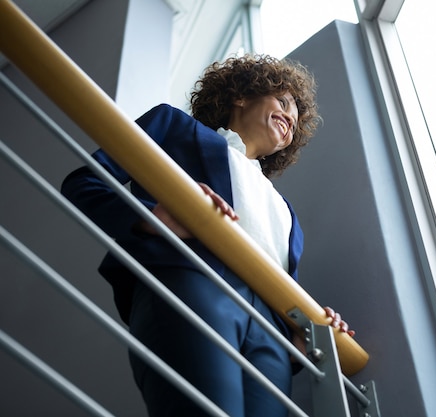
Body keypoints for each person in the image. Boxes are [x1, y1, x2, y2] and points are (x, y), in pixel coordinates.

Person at [61, 54, 354, 417]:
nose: (290, 119)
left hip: (271, 338)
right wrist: (152, 218)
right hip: (194, 285)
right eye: (284, 102)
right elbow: (84, 183)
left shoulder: (287, 215)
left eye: (295, 121)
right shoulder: (174, 126)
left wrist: (305, 330)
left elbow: (284, 291)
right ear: (242, 96)